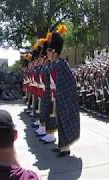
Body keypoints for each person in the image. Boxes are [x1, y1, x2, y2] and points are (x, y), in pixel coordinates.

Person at [47, 25, 80, 157]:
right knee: (59, 122)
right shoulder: (54, 64)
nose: (47, 53)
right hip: (57, 97)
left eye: (49, 51)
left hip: (64, 97)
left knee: (64, 121)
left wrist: (57, 91)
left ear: (55, 52)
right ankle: (62, 146)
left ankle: (66, 147)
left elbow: (68, 83)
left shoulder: (62, 64)